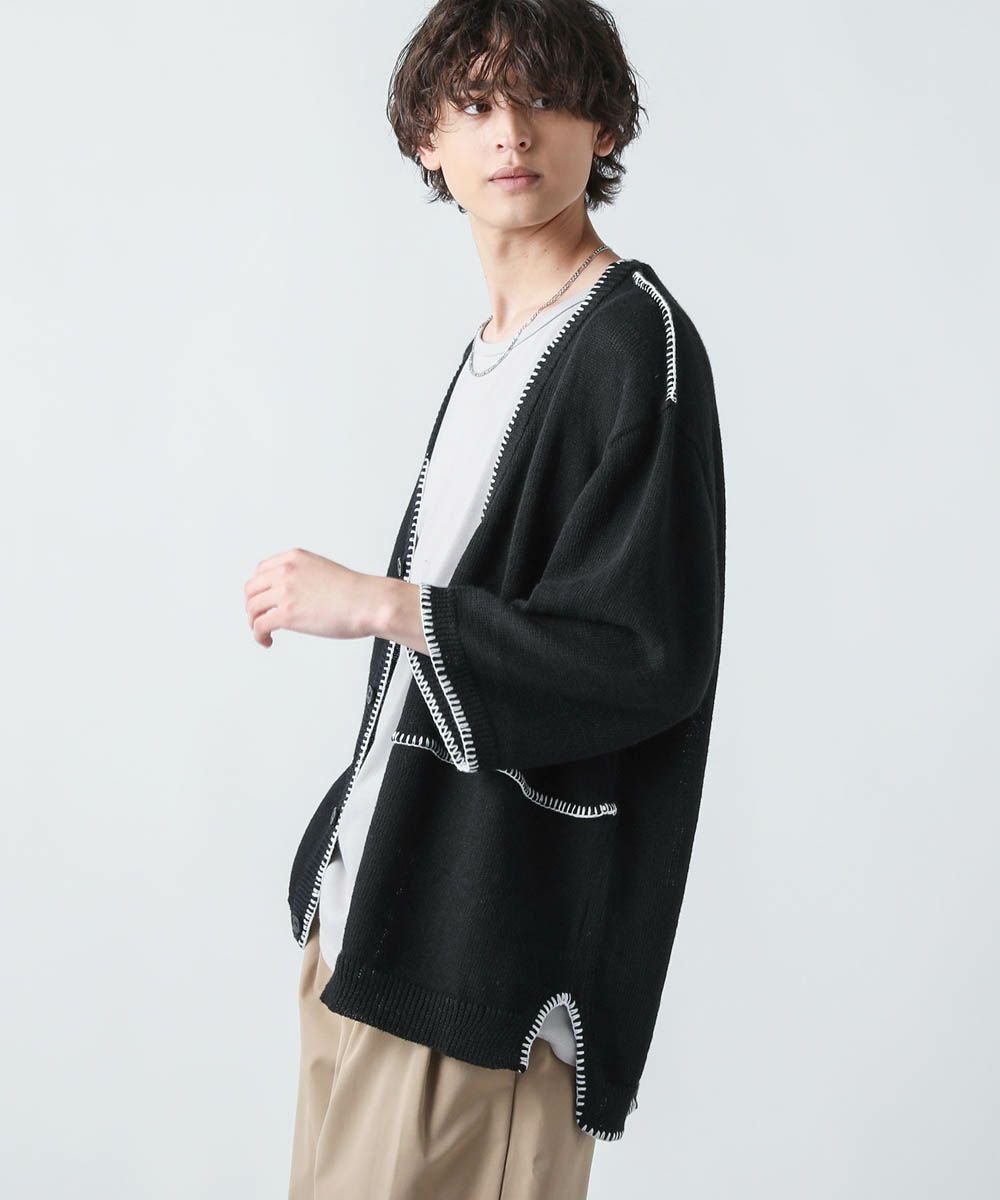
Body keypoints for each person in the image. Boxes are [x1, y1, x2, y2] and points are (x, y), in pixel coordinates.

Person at [243, 2, 726, 1196]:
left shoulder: (631, 345)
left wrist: (382, 604)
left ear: (603, 124)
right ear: (428, 139)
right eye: (473, 103)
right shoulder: (499, 345)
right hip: (374, 921)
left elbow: (639, 658)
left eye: (544, 96)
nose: (510, 131)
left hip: (486, 966)